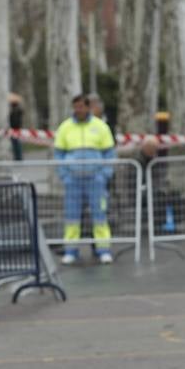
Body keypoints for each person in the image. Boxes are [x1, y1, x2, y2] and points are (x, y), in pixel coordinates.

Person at [53, 93, 117, 264]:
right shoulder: (65, 127)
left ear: (88, 107)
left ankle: (103, 249)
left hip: (95, 179)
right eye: (76, 107)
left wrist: (105, 174)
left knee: (99, 215)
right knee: (72, 216)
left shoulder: (101, 126)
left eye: (81, 106)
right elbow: (58, 154)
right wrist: (64, 175)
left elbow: (109, 153)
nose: (78, 110)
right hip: (73, 179)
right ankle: (71, 251)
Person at [8, 93, 25, 161]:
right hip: (15, 129)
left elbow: (15, 120)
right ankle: (17, 157)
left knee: (17, 143)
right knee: (15, 143)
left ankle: (18, 157)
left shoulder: (17, 111)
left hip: (16, 129)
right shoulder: (16, 111)